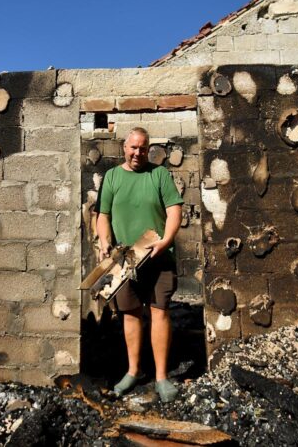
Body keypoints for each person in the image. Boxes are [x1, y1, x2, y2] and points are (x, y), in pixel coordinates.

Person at [96, 126, 184, 403]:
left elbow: (174, 211)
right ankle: (133, 371)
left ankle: (161, 376)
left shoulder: (159, 175)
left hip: (158, 256)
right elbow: (103, 215)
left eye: (142, 148)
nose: (137, 153)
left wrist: (166, 240)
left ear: (148, 149)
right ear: (124, 148)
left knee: (159, 312)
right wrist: (104, 241)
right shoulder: (112, 177)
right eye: (133, 147)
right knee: (131, 314)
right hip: (126, 259)